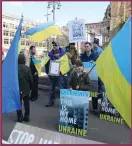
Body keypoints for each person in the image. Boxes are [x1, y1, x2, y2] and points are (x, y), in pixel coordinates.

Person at [45, 42, 69, 107]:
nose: (54, 46)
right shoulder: (50, 54)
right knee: (52, 88)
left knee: (62, 88)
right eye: (53, 45)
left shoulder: (63, 54)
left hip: (61, 74)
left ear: (59, 46)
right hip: (52, 73)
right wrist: (48, 72)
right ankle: (51, 102)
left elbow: (65, 63)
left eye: (56, 45)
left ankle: (64, 103)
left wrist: (58, 58)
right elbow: (46, 62)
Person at [80, 42, 99, 112]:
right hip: (85, 77)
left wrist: (94, 63)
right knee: (84, 93)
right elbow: (80, 65)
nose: (86, 48)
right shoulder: (82, 56)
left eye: (87, 46)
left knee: (94, 93)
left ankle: (95, 108)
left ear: (91, 47)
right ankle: (84, 108)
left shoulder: (96, 55)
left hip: (94, 78)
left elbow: (99, 65)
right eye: (85, 47)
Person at [17, 53, 33, 122]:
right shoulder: (27, 68)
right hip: (26, 89)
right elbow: (30, 80)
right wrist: (31, 88)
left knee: (18, 103)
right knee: (26, 103)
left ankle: (19, 117)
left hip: (17, 88)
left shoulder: (15, 68)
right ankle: (26, 116)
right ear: (24, 59)